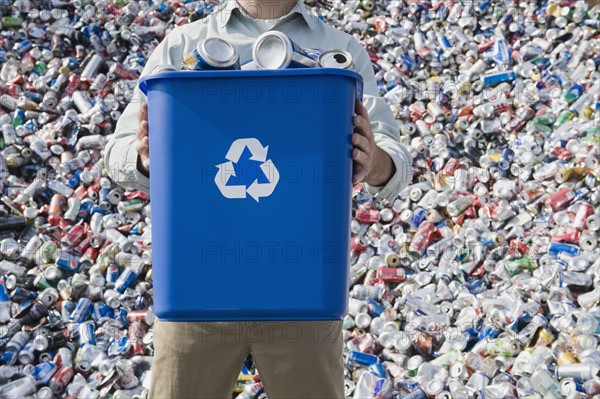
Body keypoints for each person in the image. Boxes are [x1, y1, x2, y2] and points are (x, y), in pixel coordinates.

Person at [104, 0, 413, 397]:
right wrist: (147, 159)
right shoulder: (184, 45)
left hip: (302, 292)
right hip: (197, 292)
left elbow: (394, 165)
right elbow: (116, 155)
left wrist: (373, 160)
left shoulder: (340, 50)